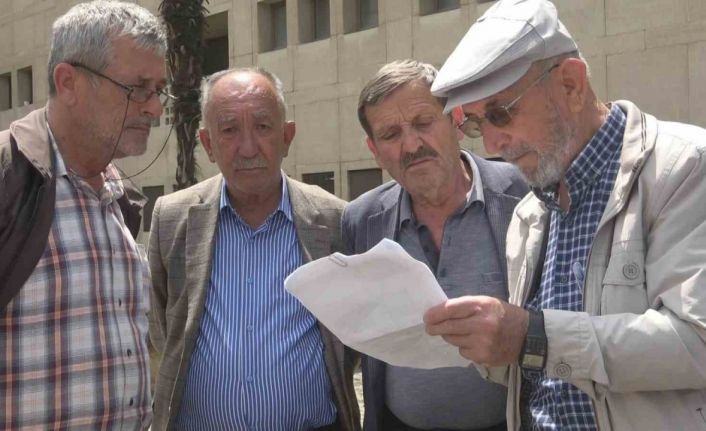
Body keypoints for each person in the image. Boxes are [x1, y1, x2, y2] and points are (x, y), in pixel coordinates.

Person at [424, 0, 706, 430]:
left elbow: (696, 342)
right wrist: (485, 341)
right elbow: (540, 371)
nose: (493, 144)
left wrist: (531, 335)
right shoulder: (529, 213)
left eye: (501, 113)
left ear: (571, 84)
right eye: (477, 124)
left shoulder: (684, 167)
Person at [148, 67, 360, 430]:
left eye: (263, 127)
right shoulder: (172, 219)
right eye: (229, 130)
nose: (248, 148)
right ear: (208, 144)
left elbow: (351, 336)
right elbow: (161, 331)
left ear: (287, 137)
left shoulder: (335, 220)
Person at [0, 1, 167, 429]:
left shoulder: (122, 200)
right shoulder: (8, 178)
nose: (154, 108)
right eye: (137, 88)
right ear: (69, 83)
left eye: (158, 90)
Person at [343, 59, 528, 431]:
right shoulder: (361, 220)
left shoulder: (524, 195)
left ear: (456, 118)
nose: (412, 145)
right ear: (374, 149)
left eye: (424, 123)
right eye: (391, 134)